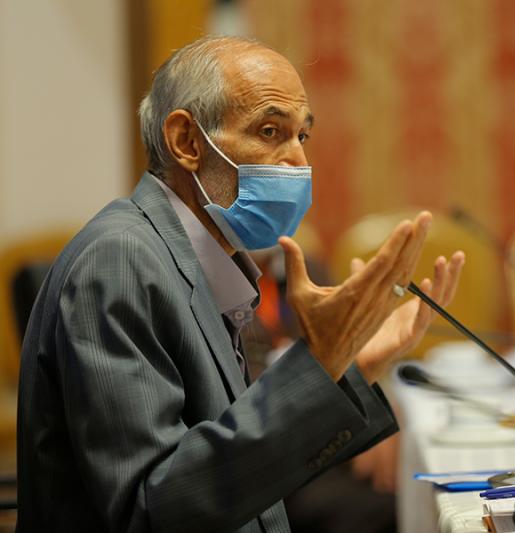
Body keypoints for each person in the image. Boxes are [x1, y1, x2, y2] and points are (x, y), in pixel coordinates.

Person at [16, 35, 464, 532]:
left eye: (302, 135)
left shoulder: (192, 257)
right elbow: (152, 508)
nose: (299, 161)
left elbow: (232, 454)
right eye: (270, 131)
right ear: (187, 142)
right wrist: (319, 361)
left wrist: (353, 365)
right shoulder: (121, 260)